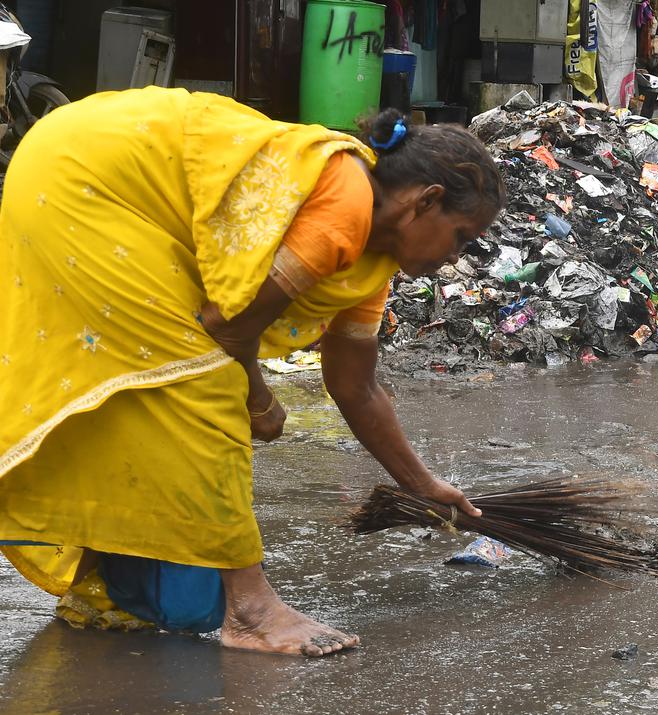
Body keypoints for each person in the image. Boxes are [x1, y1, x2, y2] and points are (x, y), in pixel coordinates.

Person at [0, 87, 504, 656]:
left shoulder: (371, 261)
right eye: (462, 236)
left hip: (79, 171)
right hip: (85, 179)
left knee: (144, 398)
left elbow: (354, 385)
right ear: (425, 201)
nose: (457, 257)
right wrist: (260, 401)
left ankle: (109, 589)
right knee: (207, 387)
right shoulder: (343, 203)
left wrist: (422, 484)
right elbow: (227, 330)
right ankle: (251, 610)